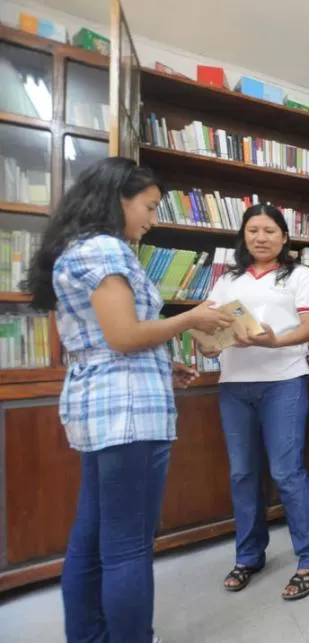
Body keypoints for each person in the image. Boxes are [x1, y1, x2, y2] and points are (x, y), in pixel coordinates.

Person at [24, 157, 234, 643]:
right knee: (127, 547)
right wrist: (191, 319)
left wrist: (166, 361)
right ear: (118, 198)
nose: (152, 218)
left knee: (93, 537)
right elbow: (122, 335)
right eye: (149, 206)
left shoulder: (78, 250)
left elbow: (108, 339)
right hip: (128, 412)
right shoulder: (108, 251)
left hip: (102, 404)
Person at [201, 204, 309, 601]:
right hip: (234, 385)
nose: (261, 237)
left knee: (287, 471)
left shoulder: (300, 274)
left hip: (283, 381)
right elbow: (206, 328)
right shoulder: (228, 280)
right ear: (243, 235)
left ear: (284, 236)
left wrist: (275, 340)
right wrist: (208, 346)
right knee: (242, 473)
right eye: (253, 230)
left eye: (270, 230)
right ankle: (249, 556)